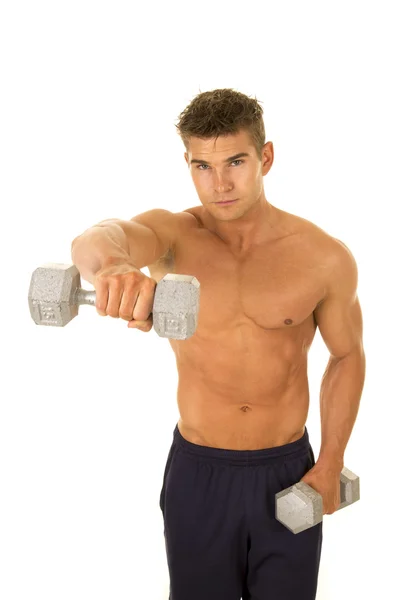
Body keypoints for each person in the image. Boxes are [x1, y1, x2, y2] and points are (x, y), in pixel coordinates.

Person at [71, 88, 366, 600]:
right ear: (187, 164)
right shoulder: (174, 237)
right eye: (202, 166)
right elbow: (101, 236)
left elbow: (346, 355)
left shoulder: (323, 257)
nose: (220, 183)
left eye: (235, 161)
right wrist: (114, 267)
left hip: (288, 469)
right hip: (200, 470)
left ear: (265, 157)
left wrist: (331, 461)